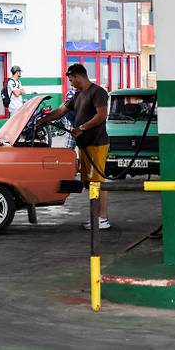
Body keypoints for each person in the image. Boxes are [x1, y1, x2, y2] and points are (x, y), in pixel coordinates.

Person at [38, 64, 110, 230]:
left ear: (78, 76)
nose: (71, 84)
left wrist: (82, 128)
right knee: (90, 182)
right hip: (84, 144)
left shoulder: (98, 92)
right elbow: (61, 110)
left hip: (96, 143)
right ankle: (95, 217)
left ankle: (103, 217)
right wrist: (41, 121)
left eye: (72, 80)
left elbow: (102, 115)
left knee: (97, 181)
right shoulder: (78, 95)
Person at [63, 85, 77, 149]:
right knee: (70, 145)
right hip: (71, 122)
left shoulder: (84, 92)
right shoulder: (70, 93)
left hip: (81, 122)